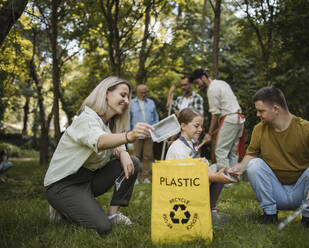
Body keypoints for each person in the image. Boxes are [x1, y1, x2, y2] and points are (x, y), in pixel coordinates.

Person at [44, 76, 153, 235]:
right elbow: (101, 141)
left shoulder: (107, 125)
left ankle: (113, 214)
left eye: (128, 97)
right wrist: (129, 136)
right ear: (106, 93)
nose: (127, 101)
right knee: (102, 228)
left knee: (133, 162)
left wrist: (122, 152)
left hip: (87, 180)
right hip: (62, 184)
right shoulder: (86, 119)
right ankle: (63, 208)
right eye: (122, 95)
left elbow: (110, 138)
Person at [229, 87, 309, 230]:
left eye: (261, 111)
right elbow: (251, 155)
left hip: (304, 194)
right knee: (254, 164)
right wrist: (240, 167)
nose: (257, 114)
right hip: (276, 191)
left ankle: (308, 218)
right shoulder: (259, 129)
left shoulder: (307, 128)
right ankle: (270, 215)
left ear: (275, 109)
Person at [166, 108, 236, 223]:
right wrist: (215, 177)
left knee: (219, 167)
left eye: (201, 126)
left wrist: (219, 172)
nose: (200, 129)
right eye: (196, 126)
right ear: (183, 126)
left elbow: (199, 166)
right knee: (217, 171)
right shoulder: (179, 148)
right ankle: (204, 211)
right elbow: (187, 177)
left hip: (191, 184)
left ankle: (210, 210)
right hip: (180, 191)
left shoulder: (190, 144)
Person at [189, 69, 245, 168]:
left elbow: (215, 114)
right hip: (238, 118)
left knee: (220, 150)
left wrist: (209, 133)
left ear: (203, 77)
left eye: (197, 82)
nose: (197, 86)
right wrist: (214, 131)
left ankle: (224, 179)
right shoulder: (221, 83)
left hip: (230, 119)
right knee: (233, 151)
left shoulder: (211, 89)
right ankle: (232, 178)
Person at [130, 84, 159, 183]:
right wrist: (130, 133)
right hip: (136, 134)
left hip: (149, 134)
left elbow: (156, 118)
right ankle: (134, 178)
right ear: (137, 92)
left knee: (148, 156)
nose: (143, 94)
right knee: (135, 157)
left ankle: (145, 177)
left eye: (145, 92)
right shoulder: (131, 103)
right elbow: (129, 119)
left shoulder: (151, 103)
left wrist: (154, 130)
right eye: (141, 92)